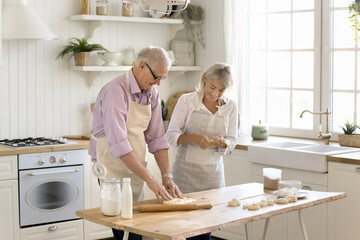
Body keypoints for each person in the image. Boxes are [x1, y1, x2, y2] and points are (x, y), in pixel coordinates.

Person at [89, 46, 183, 240]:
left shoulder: (152, 94)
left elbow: (156, 138)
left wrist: (166, 176)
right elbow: (119, 143)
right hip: (111, 169)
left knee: (136, 228)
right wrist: (151, 179)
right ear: (141, 66)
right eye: (157, 77)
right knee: (122, 226)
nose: (158, 83)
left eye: (162, 78)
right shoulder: (115, 91)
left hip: (137, 167)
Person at [165, 63, 238, 240]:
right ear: (204, 78)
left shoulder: (230, 106)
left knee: (207, 227)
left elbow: (233, 139)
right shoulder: (187, 101)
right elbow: (171, 135)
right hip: (185, 174)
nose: (215, 93)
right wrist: (195, 138)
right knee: (185, 227)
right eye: (212, 87)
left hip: (212, 176)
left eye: (221, 90)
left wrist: (224, 143)